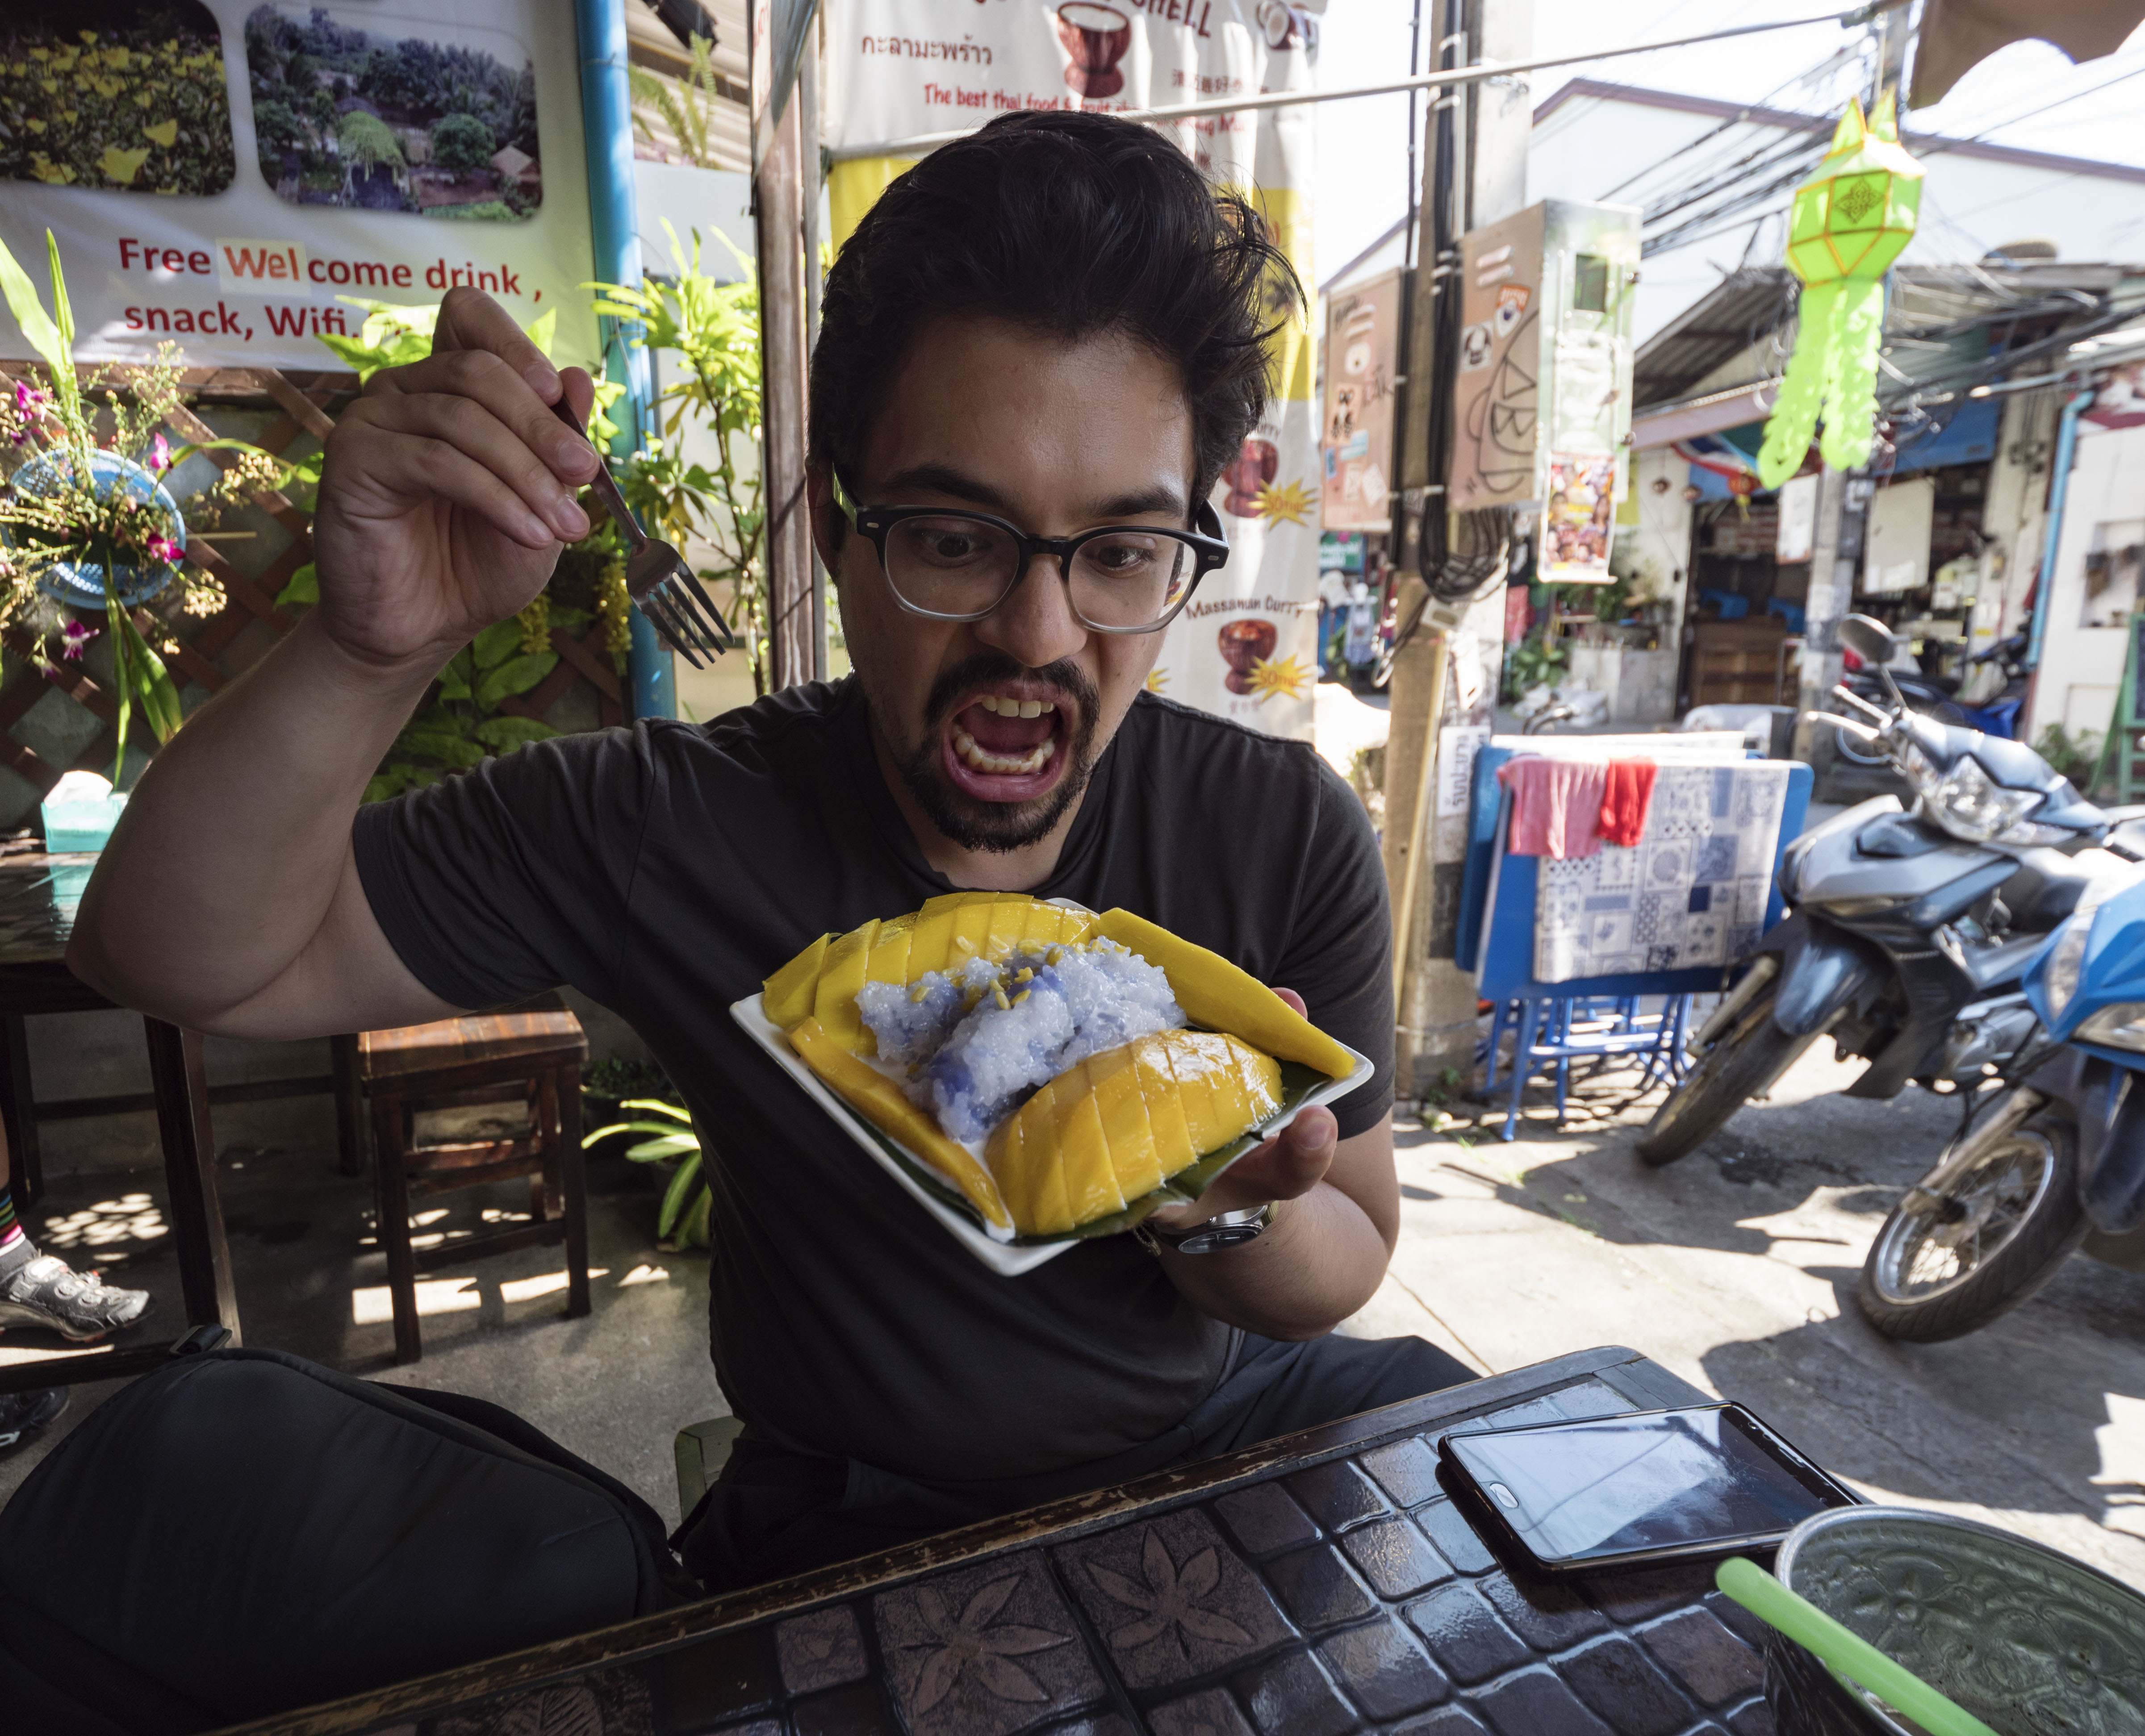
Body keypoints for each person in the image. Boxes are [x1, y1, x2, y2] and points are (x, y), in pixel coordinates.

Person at [67, 111, 1472, 1592]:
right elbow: (165, 958)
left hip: (1217, 1448)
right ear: (833, 528)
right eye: (951, 534)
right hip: (853, 1513)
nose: (1037, 635)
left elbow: (1349, 1247)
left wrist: (1207, 1199)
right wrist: (366, 652)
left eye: (1119, 552)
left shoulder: (1277, 828)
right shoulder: (668, 821)